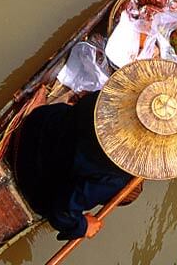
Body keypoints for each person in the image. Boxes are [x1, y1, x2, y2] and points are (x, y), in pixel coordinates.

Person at [11, 91, 141, 240]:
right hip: (28, 170)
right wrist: (84, 226)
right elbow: (60, 214)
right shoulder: (116, 179)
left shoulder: (115, 95)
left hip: (37, 121)